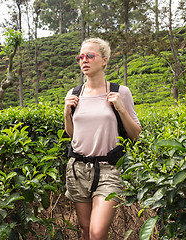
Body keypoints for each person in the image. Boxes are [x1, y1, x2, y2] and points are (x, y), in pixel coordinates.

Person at [63, 38, 141, 240]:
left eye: (90, 56)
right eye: (80, 57)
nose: (84, 60)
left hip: (108, 169)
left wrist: (121, 108)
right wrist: (66, 113)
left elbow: (135, 134)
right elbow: (73, 135)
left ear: (104, 60)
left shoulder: (120, 92)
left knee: (97, 232)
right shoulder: (74, 93)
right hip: (78, 168)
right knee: (85, 229)